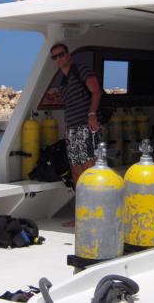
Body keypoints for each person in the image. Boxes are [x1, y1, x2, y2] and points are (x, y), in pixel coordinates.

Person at [50, 43, 102, 227]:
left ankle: (95, 214)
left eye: (61, 55)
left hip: (86, 126)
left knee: (90, 170)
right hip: (72, 129)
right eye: (54, 57)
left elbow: (96, 91)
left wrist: (92, 114)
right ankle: (82, 214)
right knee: (76, 172)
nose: (58, 59)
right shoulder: (61, 81)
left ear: (68, 55)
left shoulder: (81, 70)